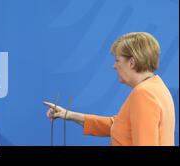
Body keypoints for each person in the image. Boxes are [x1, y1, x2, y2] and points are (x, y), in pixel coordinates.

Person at [44, 32, 175, 146]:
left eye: (117, 60)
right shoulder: (157, 87)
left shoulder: (143, 94)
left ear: (132, 62)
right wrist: (70, 115)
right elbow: (119, 125)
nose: (114, 66)